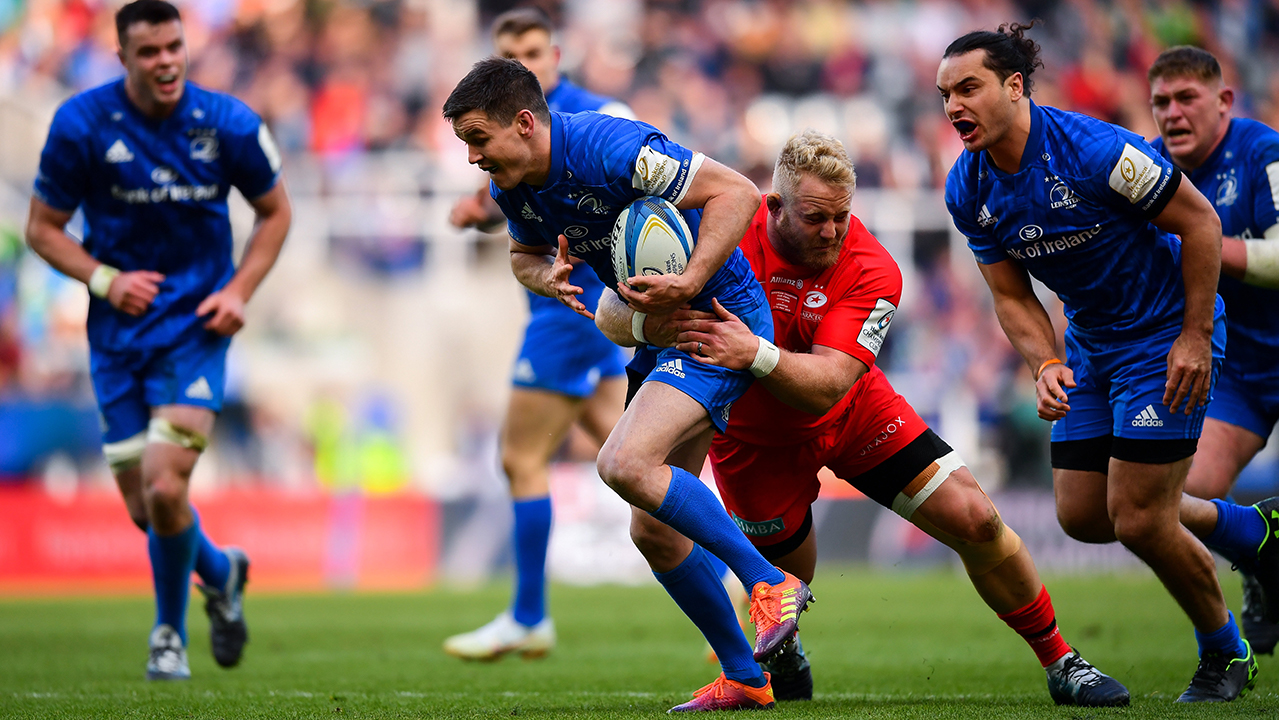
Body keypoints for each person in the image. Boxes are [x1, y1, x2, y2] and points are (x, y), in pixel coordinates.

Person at [596, 129, 1129, 707]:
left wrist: (753, 352)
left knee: (976, 518)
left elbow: (827, 388)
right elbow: (610, 313)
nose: (831, 231)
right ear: (773, 207)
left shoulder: (872, 267)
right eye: (815, 217)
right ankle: (783, 655)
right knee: (786, 595)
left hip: (854, 413)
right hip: (753, 446)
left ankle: (1062, 661)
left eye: (841, 217)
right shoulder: (719, 231)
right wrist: (657, 324)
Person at [444, 57, 811, 711]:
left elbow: (736, 193)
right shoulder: (513, 186)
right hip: (655, 331)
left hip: (715, 321)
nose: (473, 158)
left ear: (523, 123)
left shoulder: (614, 148)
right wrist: (546, 280)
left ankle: (765, 581)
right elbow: (523, 254)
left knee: (621, 461)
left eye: (477, 138)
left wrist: (691, 279)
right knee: (652, 532)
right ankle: (747, 678)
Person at [938, 23, 1277, 702]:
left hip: (1161, 339)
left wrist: (1191, 336)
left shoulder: (1096, 150)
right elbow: (1010, 295)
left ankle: (1224, 651)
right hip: (1092, 348)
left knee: (1140, 517)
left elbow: (1201, 223)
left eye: (968, 88)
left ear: (1013, 87)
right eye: (944, 93)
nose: (953, 106)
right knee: (1082, 517)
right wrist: (1042, 363)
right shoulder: (966, 188)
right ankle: (1253, 530)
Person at [24, 0, 291, 680]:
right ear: (122, 58)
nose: (166, 60)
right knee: (148, 508)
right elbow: (43, 228)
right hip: (116, 333)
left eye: (173, 46)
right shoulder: (80, 124)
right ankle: (222, 573)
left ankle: (168, 636)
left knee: (166, 488)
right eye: (149, 52)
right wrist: (104, 278)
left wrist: (237, 293)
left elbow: (275, 212)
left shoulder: (227, 121)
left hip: (197, 328)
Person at [442, 7, 635, 663]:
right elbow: (530, 210)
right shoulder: (506, 135)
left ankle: (528, 615)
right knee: (638, 461)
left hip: (572, 309)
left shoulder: (596, 116)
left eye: (532, 51)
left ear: (556, 53)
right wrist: (480, 212)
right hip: (567, 304)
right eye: (509, 55)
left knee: (520, 458)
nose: (524, 65)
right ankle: (746, 584)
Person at [1147, 46, 1279, 655]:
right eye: (1160, 103)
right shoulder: (1147, 169)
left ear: (1224, 101)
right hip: (1236, 370)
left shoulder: (1262, 152)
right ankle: (1262, 560)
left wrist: (1200, 236)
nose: (1172, 114)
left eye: (1186, 99)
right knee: (1175, 499)